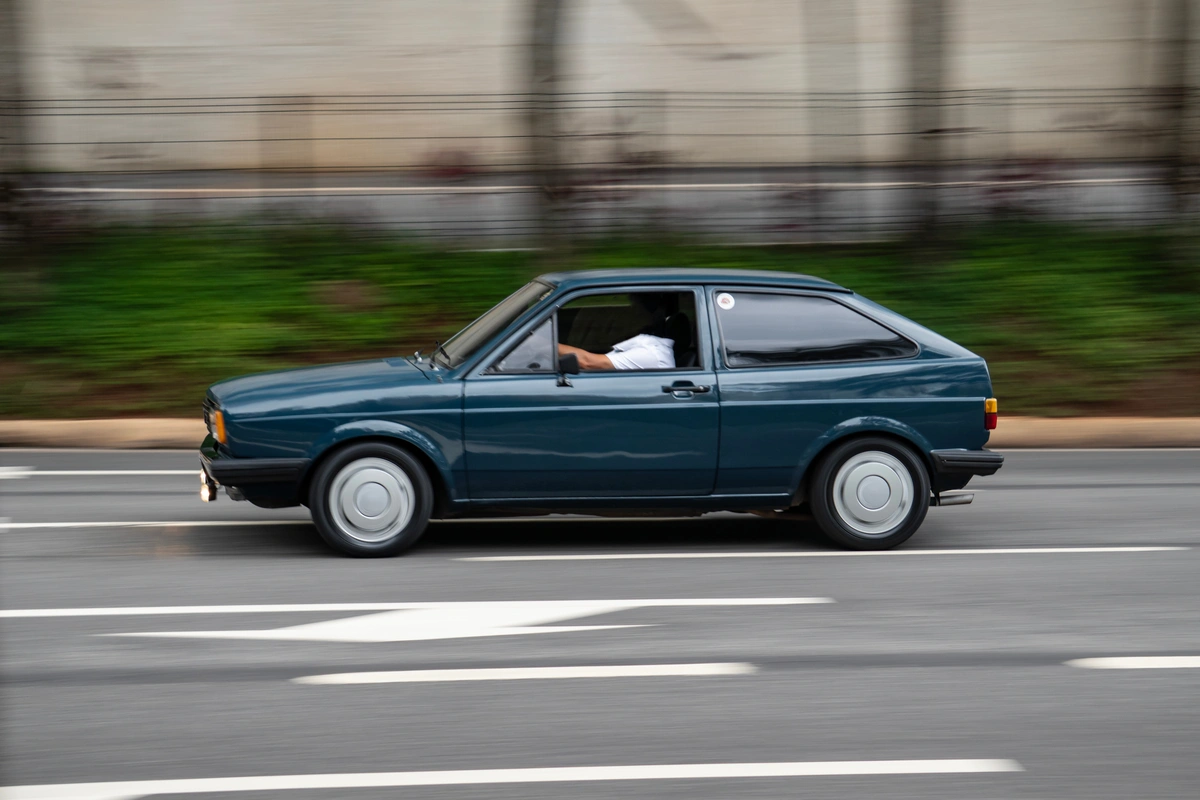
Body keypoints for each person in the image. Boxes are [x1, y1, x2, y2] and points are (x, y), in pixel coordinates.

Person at [557, 293, 676, 370]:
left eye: (634, 309)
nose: (624, 314)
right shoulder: (641, 343)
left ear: (648, 318)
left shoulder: (651, 354)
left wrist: (545, 345)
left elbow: (587, 362)